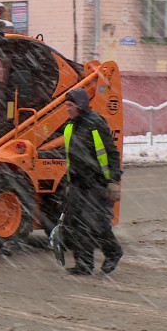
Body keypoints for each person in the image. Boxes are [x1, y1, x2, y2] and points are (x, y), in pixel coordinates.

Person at [62, 88, 123, 275]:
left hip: (97, 182)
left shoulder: (96, 124)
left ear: (79, 105)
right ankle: (84, 264)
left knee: (94, 223)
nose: (68, 109)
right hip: (78, 183)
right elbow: (71, 158)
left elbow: (112, 153)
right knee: (74, 222)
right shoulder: (70, 126)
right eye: (66, 106)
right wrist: (69, 183)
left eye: (70, 106)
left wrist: (113, 181)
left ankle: (113, 252)